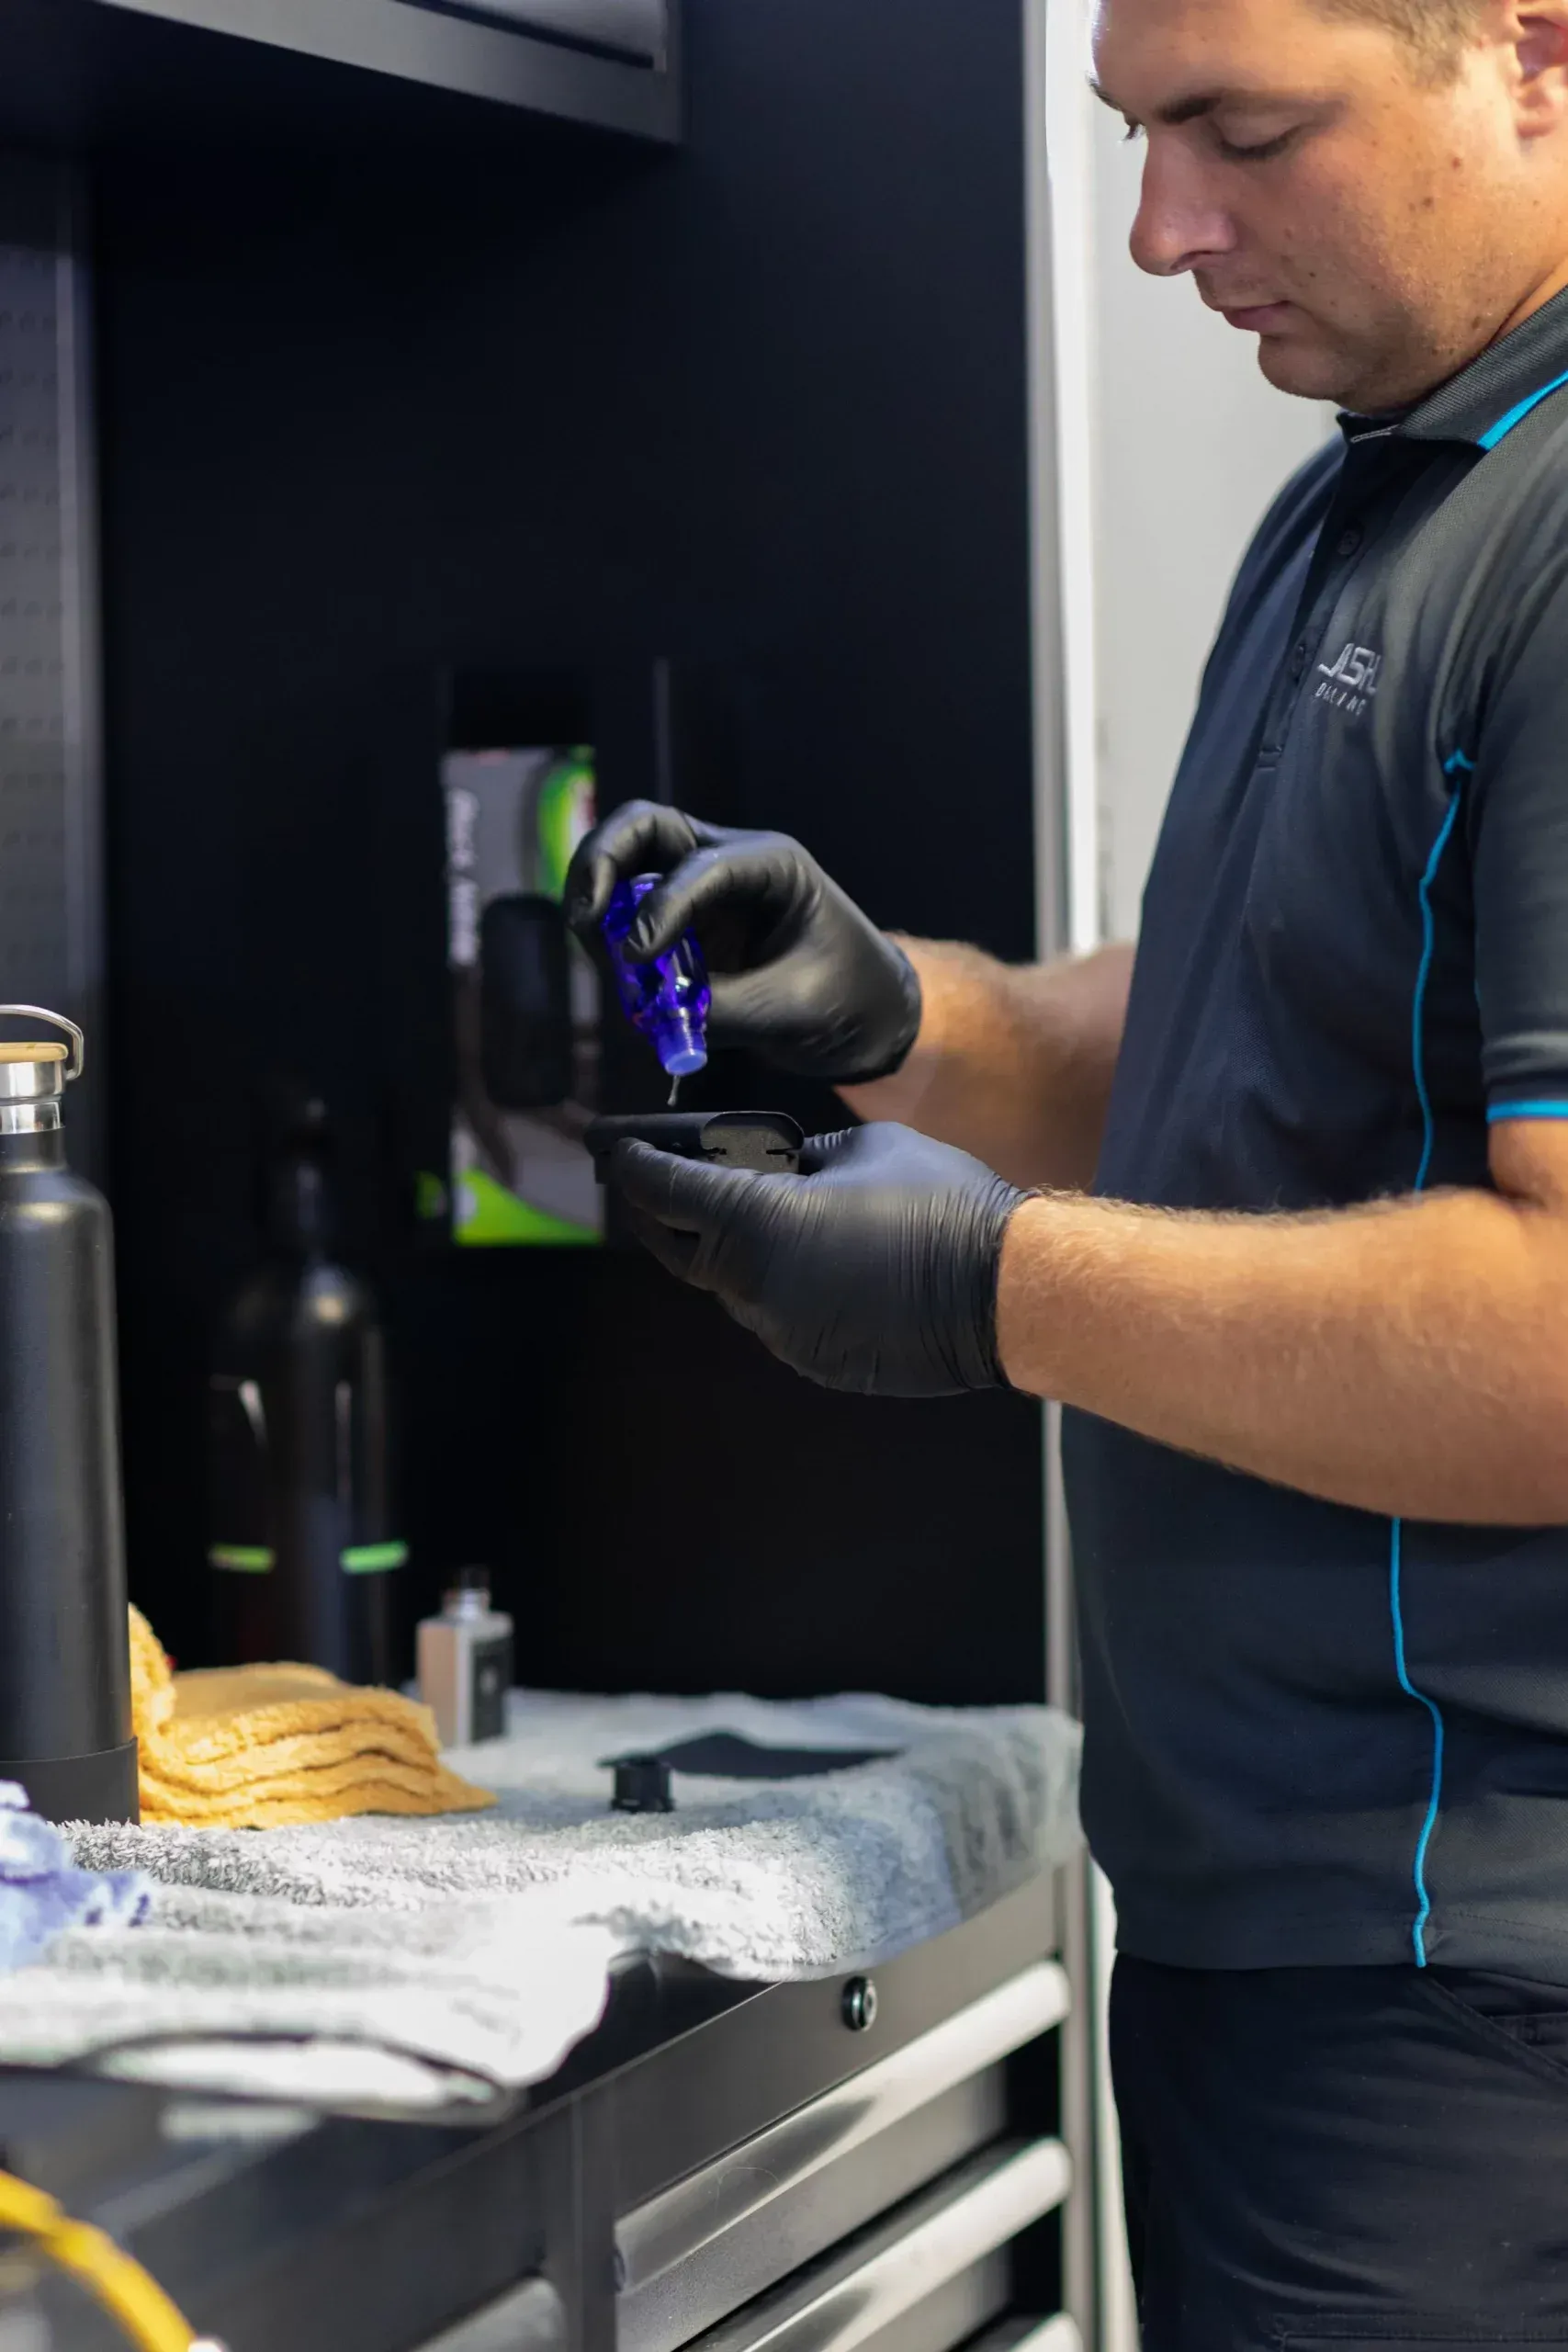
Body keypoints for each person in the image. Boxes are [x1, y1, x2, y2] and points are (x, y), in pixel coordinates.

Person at [567, 0, 1568, 2340]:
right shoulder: (1386, 480)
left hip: (1470, 1986)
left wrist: (982, 1294)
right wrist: (930, 1021)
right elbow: (1289, 1050)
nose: (1159, 230)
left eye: (1239, 132)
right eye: (1136, 134)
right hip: (1304, 1940)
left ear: (1529, 49)